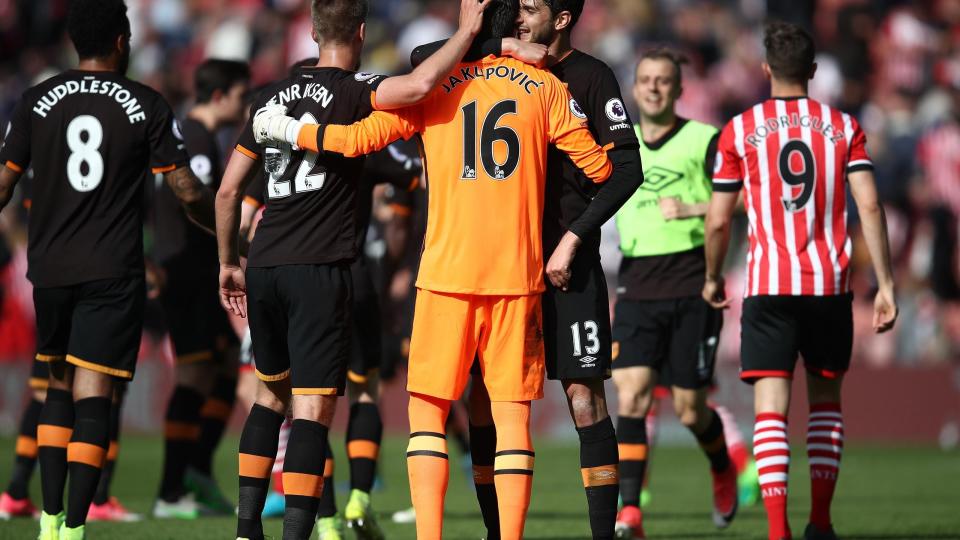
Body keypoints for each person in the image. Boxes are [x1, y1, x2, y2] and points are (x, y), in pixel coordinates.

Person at [253, 3, 614, 538]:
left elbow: (355, 141)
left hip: (444, 274)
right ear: (512, 29)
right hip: (517, 276)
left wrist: (290, 131)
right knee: (511, 418)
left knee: (427, 419)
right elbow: (602, 168)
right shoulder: (548, 88)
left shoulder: (434, 88)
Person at [215, 1, 502, 538]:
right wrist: (466, 31)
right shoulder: (355, 89)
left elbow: (230, 189)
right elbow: (418, 87)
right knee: (313, 409)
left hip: (266, 265)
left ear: (315, 31)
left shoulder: (271, 96)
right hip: (320, 269)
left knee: (268, 396)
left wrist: (229, 261)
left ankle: (245, 529)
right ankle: (299, 532)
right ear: (362, 33)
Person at [409, 1, 644, 537]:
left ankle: (603, 533)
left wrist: (574, 238)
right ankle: (498, 531)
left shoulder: (587, 76)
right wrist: (506, 49)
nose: (519, 17)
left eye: (532, 9)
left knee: (585, 397)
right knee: (483, 403)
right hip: (500, 267)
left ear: (562, 19)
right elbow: (426, 57)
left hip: (565, 264)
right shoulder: (488, 62)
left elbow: (625, 170)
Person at [0, 0, 216, 537]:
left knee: (56, 387)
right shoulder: (145, 103)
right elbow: (185, 188)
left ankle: (49, 521)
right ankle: (74, 526)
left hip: (49, 268)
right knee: (94, 394)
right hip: (113, 270)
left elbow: (3, 185)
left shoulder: (35, 101)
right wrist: (224, 227)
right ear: (122, 40)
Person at [703, 21, 898, 540]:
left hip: (769, 286)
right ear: (812, 72)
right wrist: (886, 284)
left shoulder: (740, 129)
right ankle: (820, 522)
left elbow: (720, 218)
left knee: (771, 412)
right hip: (828, 286)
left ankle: (776, 531)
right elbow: (871, 204)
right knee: (826, 405)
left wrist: (712, 277)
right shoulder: (844, 126)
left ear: (766, 68)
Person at [610, 47, 738, 539]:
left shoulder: (704, 140)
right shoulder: (619, 145)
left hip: (692, 286)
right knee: (633, 394)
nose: (655, 88)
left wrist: (693, 207)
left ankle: (721, 466)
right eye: (646, 80)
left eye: (664, 80)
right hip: (638, 284)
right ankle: (631, 512)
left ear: (680, 90)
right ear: (635, 87)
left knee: (689, 408)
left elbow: (743, 197)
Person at [152, 58, 250, 519]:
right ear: (219, 96)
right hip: (187, 274)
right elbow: (193, 202)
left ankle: (197, 471)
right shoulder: (192, 137)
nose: (244, 103)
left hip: (195, 272)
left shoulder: (199, 137)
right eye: (240, 94)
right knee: (193, 374)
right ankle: (171, 490)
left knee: (227, 366)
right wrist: (236, 240)